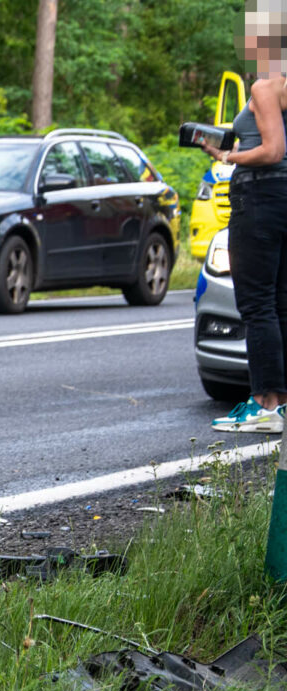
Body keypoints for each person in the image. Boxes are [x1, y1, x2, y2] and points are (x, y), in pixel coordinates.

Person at [204, 5, 287, 433]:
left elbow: (273, 150)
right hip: (284, 198)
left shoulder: (264, 86)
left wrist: (228, 154)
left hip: (259, 194)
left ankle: (264, 405)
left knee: (255, 303)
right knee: (278, 302)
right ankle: (282, 404)